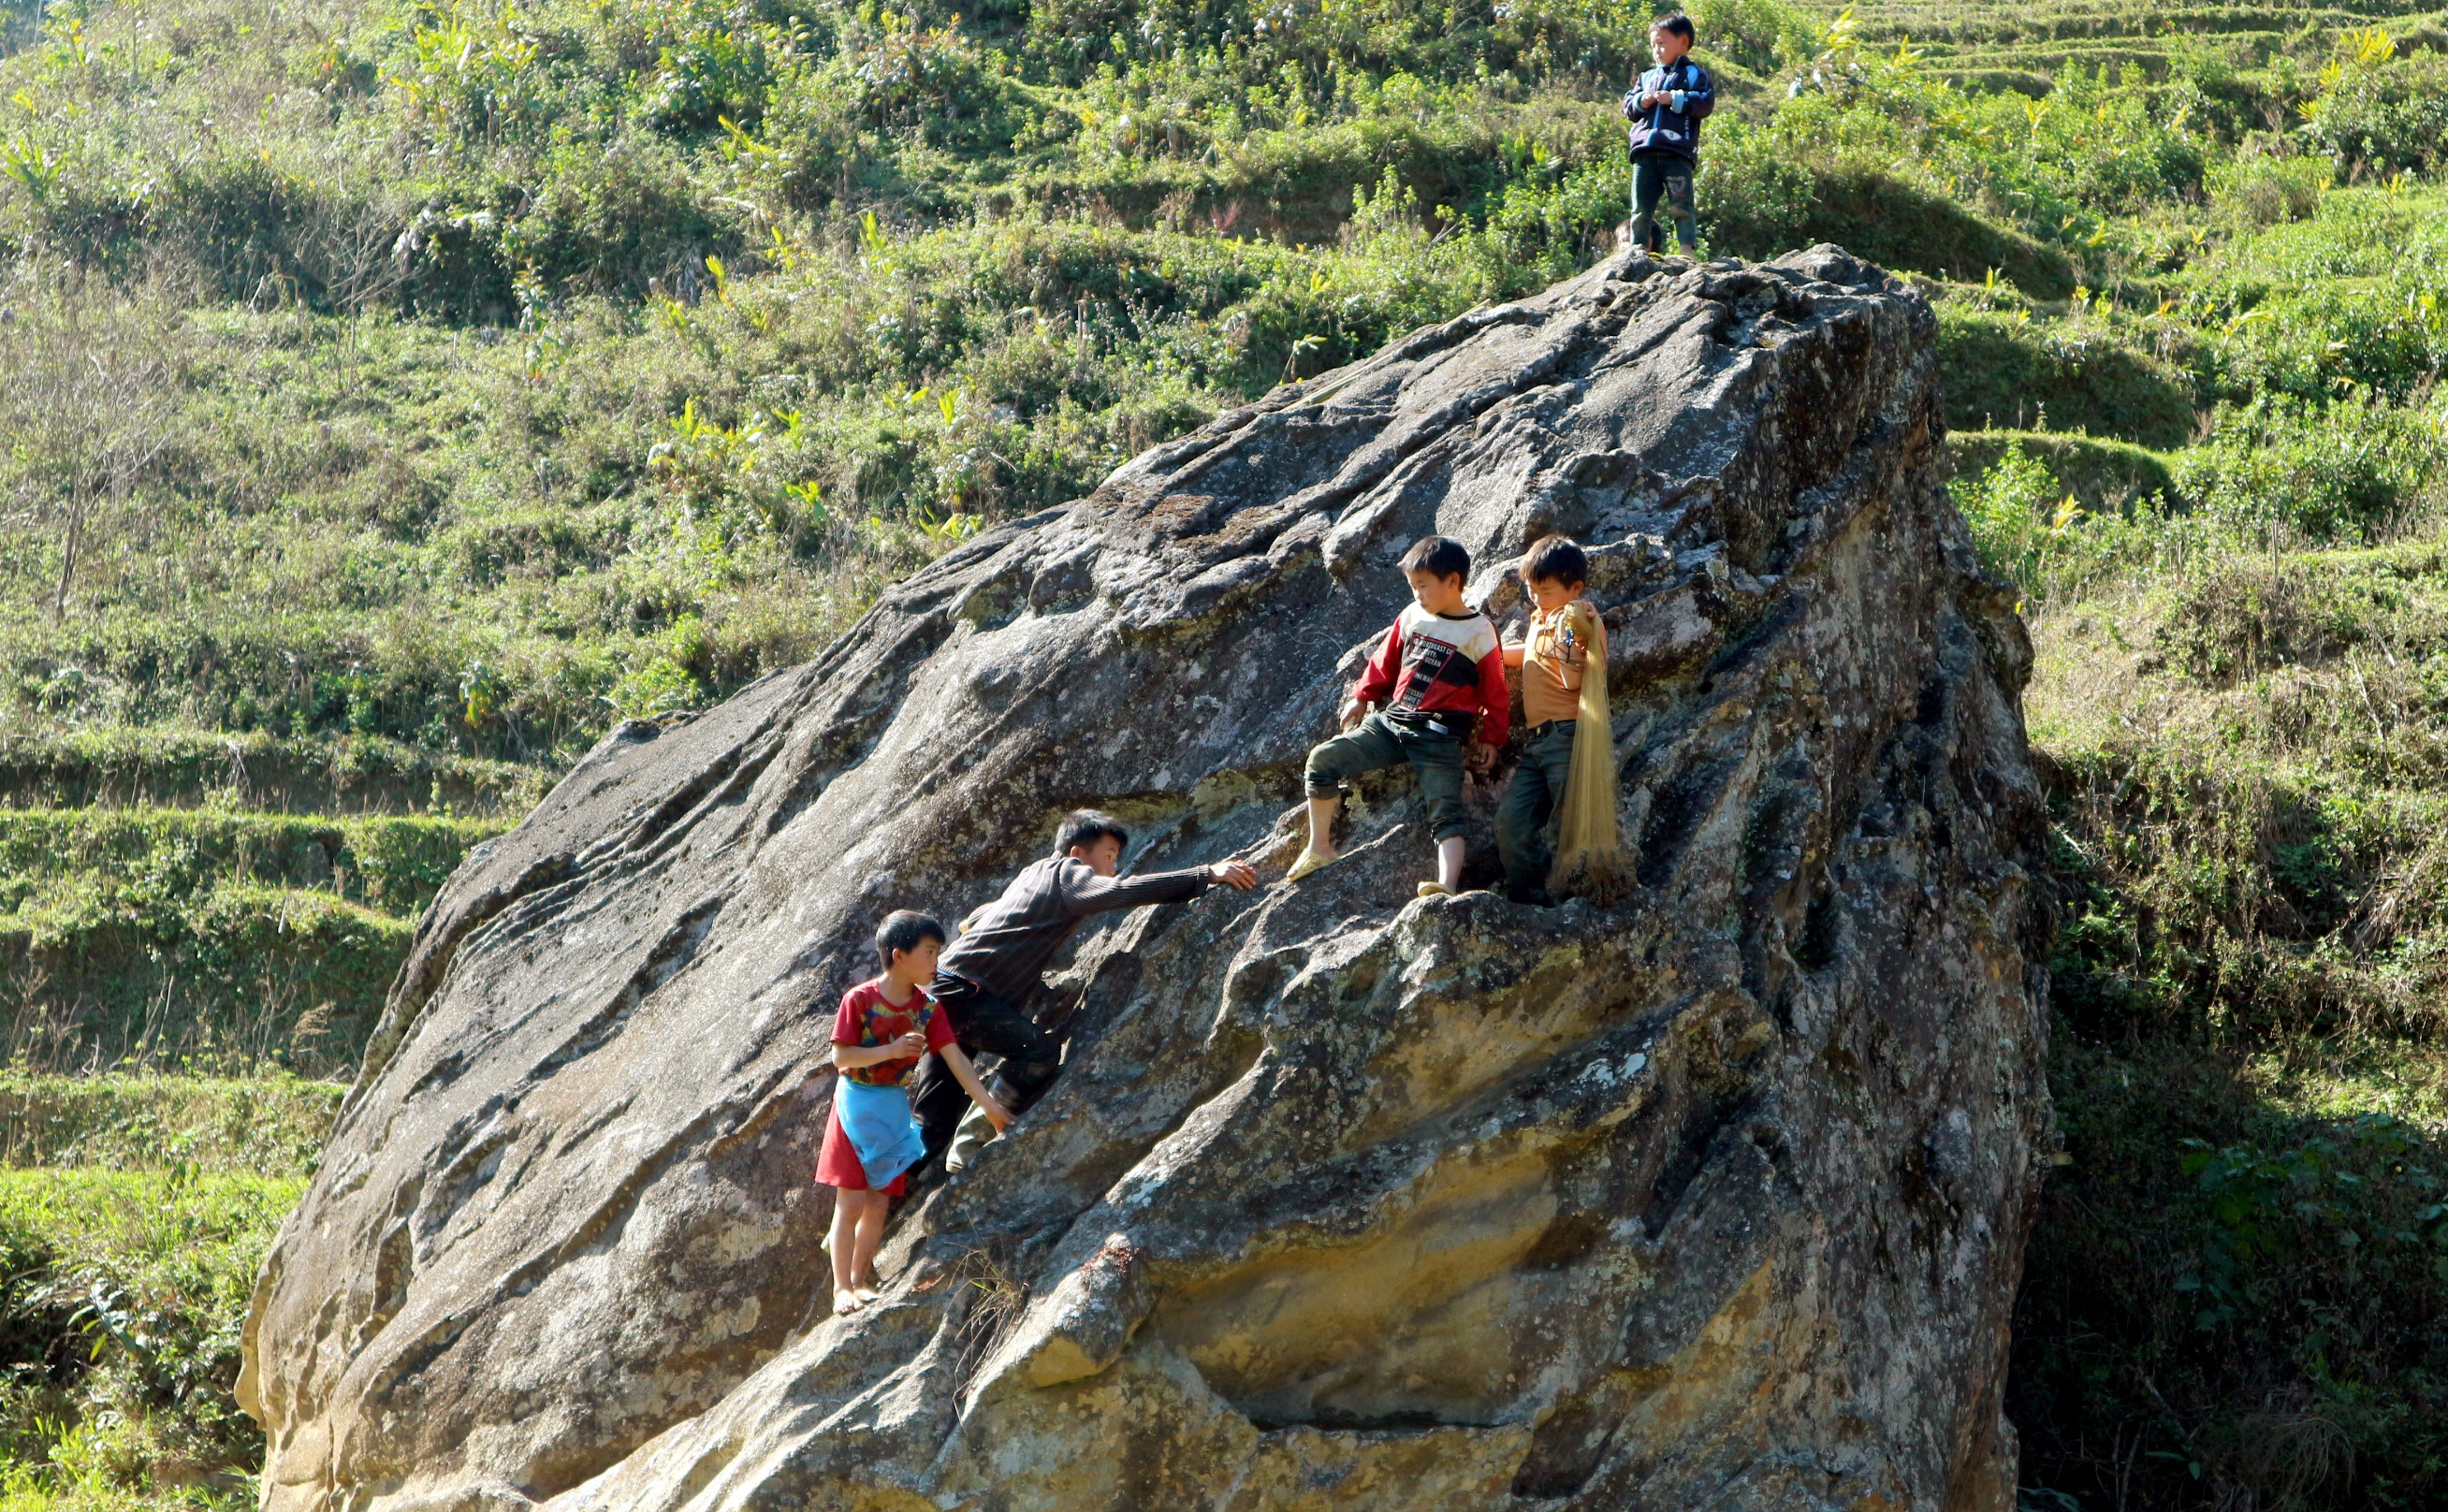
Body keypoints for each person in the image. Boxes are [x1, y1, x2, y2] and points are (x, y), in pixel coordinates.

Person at [909, 811, 1259, 1173]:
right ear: (1078, 852)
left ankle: (879, 1193)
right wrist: (1205, 874)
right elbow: (1120, 891)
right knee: (1038, 1053)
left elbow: (987, 916)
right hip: (963, 993)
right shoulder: (1068, 873)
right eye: (1108, 856)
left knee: (930, 1122)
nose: (1111, 868)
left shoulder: (1033, 873)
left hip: (941, 988)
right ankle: (969, 1144)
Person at [1290, 535, 1509, 897]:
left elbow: (1496, 691)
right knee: (1321, 759)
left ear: (1453, 582)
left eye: (1423, 587)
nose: (1417, 595)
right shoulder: (1412, 616)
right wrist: (1362, 697)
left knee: (1446, 808)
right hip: (1391, 723)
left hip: (1440, 737)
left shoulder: (1479, 631)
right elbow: (1384, 660)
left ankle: (1447, 884)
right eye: (1412, 587)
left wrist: (1492, 736)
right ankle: (1319, 847)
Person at [818, 910, 1009, 1315]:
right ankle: (840, 1289)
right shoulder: (861, 1000)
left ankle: (858, 1280)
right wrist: (890, 1051)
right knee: (850, 1201)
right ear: (899, 955)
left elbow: (955, 1059)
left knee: (879, 1201)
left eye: (937, 952)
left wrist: (990, 1107)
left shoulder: (928, 1008)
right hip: (855, 1105)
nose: (936, 961)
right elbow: (840, 1056)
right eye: (929, 952)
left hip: (889, 1105)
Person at [1497, 536, 1610, 903]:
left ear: (1574, 588)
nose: (1535, 598)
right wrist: (1488, 653)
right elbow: (1530, 653)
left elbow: (1573, 680)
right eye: (1531, 590)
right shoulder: (1541, 618)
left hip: (1568, 736)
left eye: (1544, 591)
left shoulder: (1576, 619)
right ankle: (1533, 898)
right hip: (1538, 742)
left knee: (1570, 828)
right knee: (1510, 824)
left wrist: (1572, 634)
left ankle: (1571, 905)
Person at [1620, 13, 1714, 256]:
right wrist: (1641, 100)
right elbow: (1627, 106)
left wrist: (1676, 98)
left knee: (1682, 204)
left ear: (1683, 42)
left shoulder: (1695, 76)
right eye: (1653, 45)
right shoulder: (1647, 77)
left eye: (1662, 43)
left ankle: (1687, 250)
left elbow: (1705, 103)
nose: (1657, 50)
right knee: (1641, 206)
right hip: (1645, 152)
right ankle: (1638, 247)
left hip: (1677, 153)